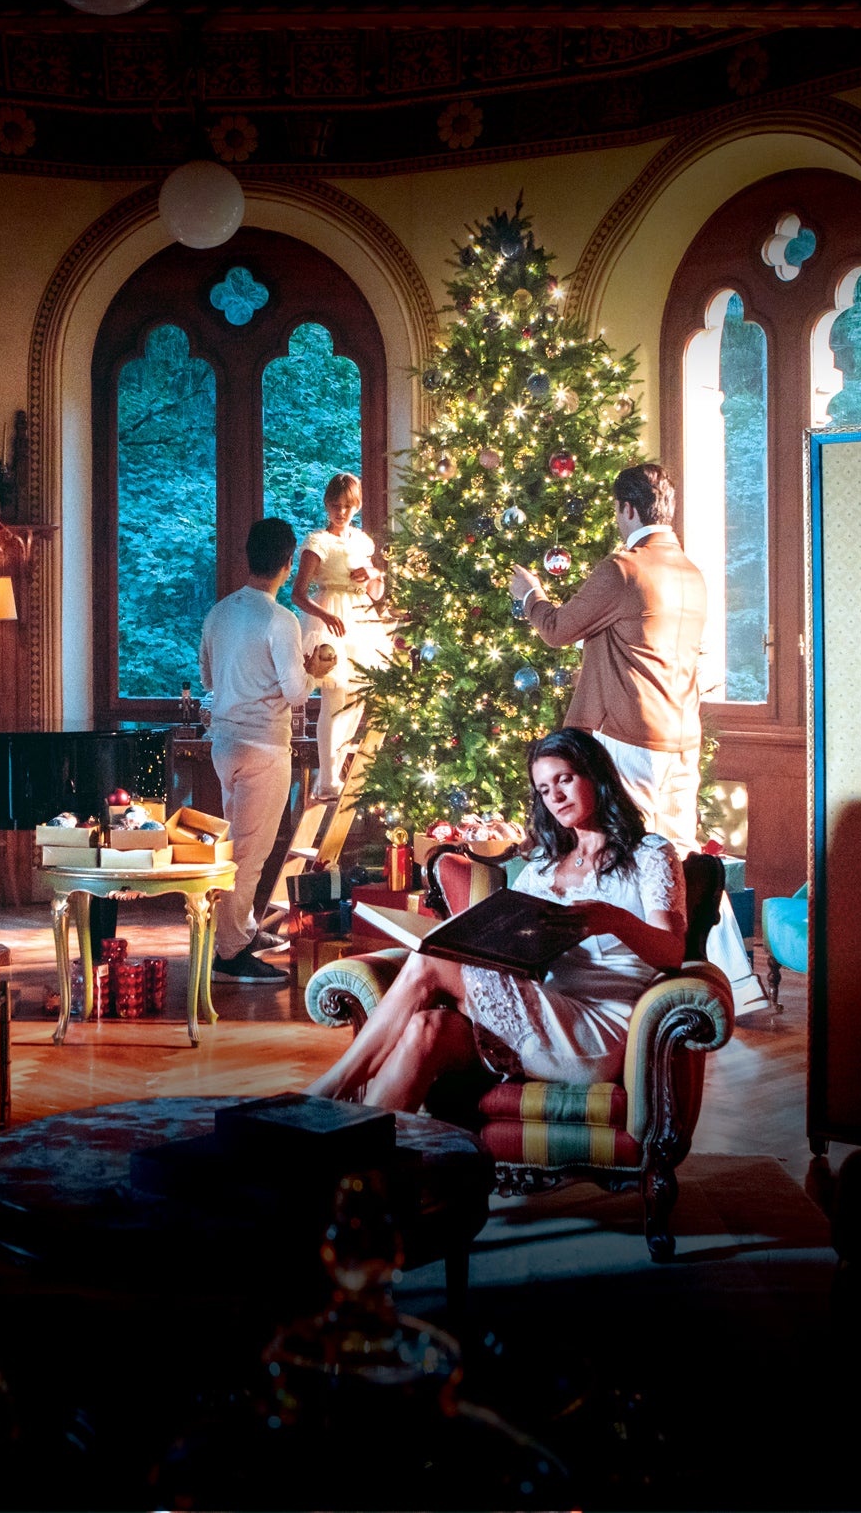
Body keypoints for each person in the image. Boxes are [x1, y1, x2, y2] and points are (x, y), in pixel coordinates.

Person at [305, 727, 686, 1108]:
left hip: (596, 1026)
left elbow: (671, 953)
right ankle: (357, 1140)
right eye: (544, 789)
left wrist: (613, 920)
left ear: (595, 776)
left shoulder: (650, 854)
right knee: (427, 1028)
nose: (555, 797)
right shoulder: (542, 866)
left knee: (429, 960)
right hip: (538, 1005)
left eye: (565, 779)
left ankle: (329, 1091)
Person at [508, 463, 765, 1012]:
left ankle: (632, 979)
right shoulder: (691, 573)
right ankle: (730, 987)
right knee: (686, 863)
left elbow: (557, 629)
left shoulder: (623, 568)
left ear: (626, 509)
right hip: (681, 737)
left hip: (627, 734)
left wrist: (529, 595)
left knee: (629, 848)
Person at [198, 518, 320, 985]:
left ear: (249, 557)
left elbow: (208, 679)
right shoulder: (280, 619)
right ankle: (229, 955)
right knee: (249, 855)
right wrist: (314, 669)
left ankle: (242, 931)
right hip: (263, 747)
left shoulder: (219, 613)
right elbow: (296, 692)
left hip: (224, 745)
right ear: (288, 565)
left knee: (237, 844)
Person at [291, 473, 390, 802]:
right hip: (330, 618)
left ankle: (334, 770)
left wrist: (374, 572)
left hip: (361, 620)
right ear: (326, 505)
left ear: (357, 506)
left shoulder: (362, 541)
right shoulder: (318, 542)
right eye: (335, 505)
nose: (341, 512)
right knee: (334, 701)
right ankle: (328, 778)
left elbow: (376, 593)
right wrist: (325, 615)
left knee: (358, 698)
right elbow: (298, 594)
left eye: (347, 506)